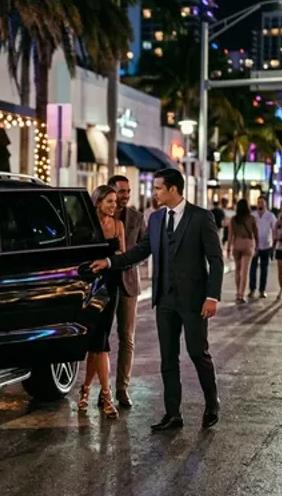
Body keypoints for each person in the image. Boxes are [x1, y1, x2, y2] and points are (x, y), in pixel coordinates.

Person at [91, 168, 223, 432]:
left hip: (195, 300)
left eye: (158, 188)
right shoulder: (156, 219)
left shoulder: (200, 217)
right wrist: (109, 261)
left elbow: (216, 259)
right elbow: (141, 250)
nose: (153, 193)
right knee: (168, 358)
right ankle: (173, 414)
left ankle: (212, 404)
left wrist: (212, 297)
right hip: (165, 300)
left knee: (198, 353)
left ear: (173, 189)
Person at [79, 185, 125, 420]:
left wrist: (111, 262)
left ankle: (87, 391)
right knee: (98, 341)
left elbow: (123, 258)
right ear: (97, 202)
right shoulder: (85, 227)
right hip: (91, 288)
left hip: (112, 286)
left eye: (115, 202)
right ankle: (105, 396)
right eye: (109, 201)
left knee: (99, 341)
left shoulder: (118, 225)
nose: (114, 205)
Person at [107, 175, 145, 408]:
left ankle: (122, 388)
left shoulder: (137, 218)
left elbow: (145, 247)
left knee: (126, 338)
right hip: (104, 283)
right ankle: (101, 388)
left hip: (129, 282)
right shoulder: (100, 215)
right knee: (100, 339)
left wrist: (128, 261)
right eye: (121, 191)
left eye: (128, 191)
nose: (125, 196)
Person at [226, 199, 259, 303]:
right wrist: (257, 245)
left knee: (237, 270)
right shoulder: (252, 219)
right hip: (248, 244)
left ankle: (237, 292)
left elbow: (230, 235)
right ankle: (241, 294)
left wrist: (228, 248)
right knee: (244, 271)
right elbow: (256, 233)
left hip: (237, 244)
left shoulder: (233, 219)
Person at [249, 196, 277, 299]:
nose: (259, 204)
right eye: (258, 202)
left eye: (261, 202)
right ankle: (252, 289)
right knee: (252, 268)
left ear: (265, 203)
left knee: (264, 268)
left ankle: (262, 290)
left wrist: (274, 245)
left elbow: (274, 230)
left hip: (266, 245)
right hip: (255, 245)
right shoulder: (253, 215)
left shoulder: (270, 216)